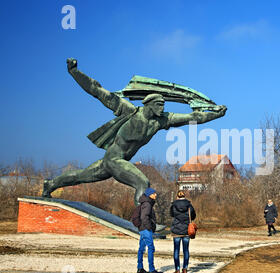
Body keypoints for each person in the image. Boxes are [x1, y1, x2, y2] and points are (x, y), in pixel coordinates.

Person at [42, 58, 227, 206]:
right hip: (114, 159)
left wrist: (216, 114)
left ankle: (50, 185)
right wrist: (74, 72)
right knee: (142, 183)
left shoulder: (160, 121)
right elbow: (97, 91)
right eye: (159, 105)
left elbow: (192, 118)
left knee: (80, 176)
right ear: (148, 104)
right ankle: (143, 224)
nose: (162, 109)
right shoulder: (128, 110)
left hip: (115, 162)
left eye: (163, 105)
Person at [137, 188, 163, 273]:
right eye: (154, 193)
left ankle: (140, 268)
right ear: (149, 195)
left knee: (141, 248)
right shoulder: (147, 204)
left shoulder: (145, 203)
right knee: (151, 248)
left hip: (142, 228)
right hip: (145, 229)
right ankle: (152, 270)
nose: (155, 195)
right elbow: (144, 217)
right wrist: (149, 227)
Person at [170, 190, 196, 273]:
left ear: (177, 196)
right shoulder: (189, 205)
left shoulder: (173, 205)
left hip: (176, 230)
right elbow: (193, 216)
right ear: (184, 196)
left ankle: (177, 269)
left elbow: (171, 214)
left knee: (176, 250)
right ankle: (185, 268)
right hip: (186, 231)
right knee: (186, 250)